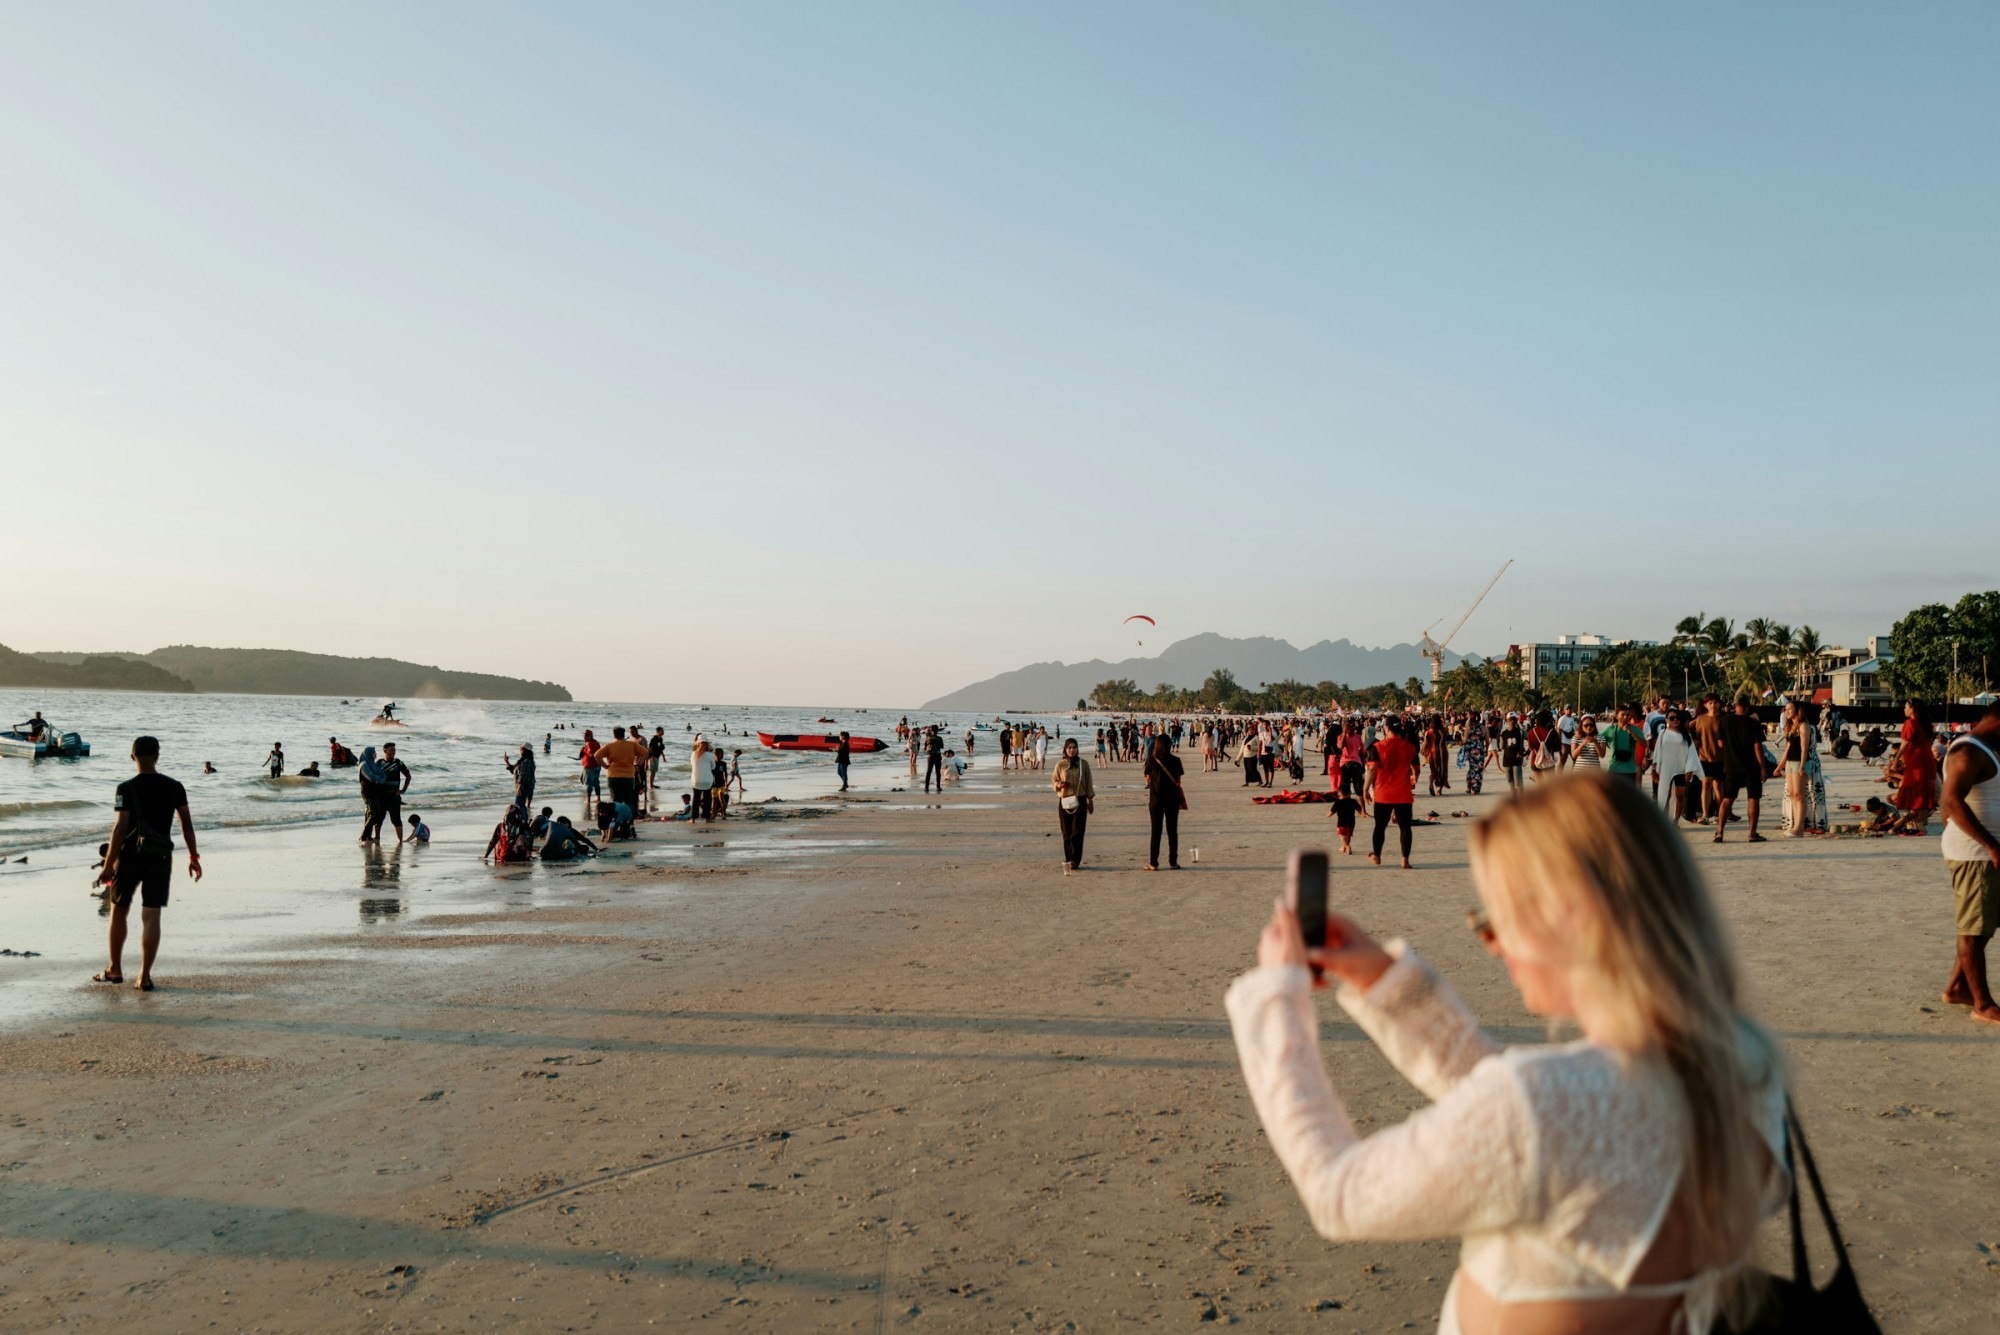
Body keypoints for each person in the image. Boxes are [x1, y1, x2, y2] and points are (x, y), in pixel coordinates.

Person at [1226, 774, 1788, 1335]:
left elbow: (1339, 1193)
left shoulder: (1545, 1104)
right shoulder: (1745, 1062)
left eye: (1496, 915)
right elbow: (1550, 1125)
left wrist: (1277, 999)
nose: (1490, 940)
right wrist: (1385, 983)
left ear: (1567, 916)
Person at [94, 736, 202, 991]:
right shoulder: (175, 786)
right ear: (157, 755)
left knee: (119, 911)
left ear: (133, 757)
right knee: (151, 916)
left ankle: (115, 969)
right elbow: (186, 824)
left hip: (129, 857)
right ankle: (144, 976)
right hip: (160, 856)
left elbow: (120, 829)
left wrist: (108, 866)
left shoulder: (125, 788)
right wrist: (194, 857)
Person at [1940, 702, 2000, 1027]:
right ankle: (1983, 1003)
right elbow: (1949, 800)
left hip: (1983, 853)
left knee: (1982, 926)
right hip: (1976, 855)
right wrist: (1990, 844)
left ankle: (1957, 987)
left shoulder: (1986, 750)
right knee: (1973, 931)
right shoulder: (1968, 752)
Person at [1365, 719, 1420, 869]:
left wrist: (1365, 789)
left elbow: (1372, 770)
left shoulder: (1378, 747)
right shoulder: (1409, 747)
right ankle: (1405, 860)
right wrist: (1415, 778)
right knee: (1405, 827)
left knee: (1380, 826)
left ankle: (1376, 856)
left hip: (1383, 794)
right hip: (1403, 793)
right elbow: (1416, 767)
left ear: (1386, 728)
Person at [1714, 696, 1766, 844]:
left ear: (1735, 706)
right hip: (1751, 766)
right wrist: (1762, 767)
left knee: (1727, 799)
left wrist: (1731, 750)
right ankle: (1752, 833)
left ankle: (1720, 832)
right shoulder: (1753, 723)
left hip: (1731, 765)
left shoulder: (1725, 721)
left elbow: (1720, 743)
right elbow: (1758, 747)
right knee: (1753, 798)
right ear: (1748, 706)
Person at [1647, 709, 1705, 827]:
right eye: (1672, 718)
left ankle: (1675, 821)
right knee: (1665, 795)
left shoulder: (1686, 735)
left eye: (1677, 718)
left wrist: (1689, 770)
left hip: (1681, 769)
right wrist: (1653, 769)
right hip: (1666, 768)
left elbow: (1691, 753)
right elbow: (1657, 752)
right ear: (1666, 720)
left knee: (1680, 796)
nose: (1675, 720)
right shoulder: (1663, 734)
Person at [1893, 700, 1940, 830]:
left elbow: (1905, 743)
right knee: (1923, 791)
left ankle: (1918, 823)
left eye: (1906, 707)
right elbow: (1929, 743)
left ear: (1912, 709)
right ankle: (1922, 822)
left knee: (1915, 790)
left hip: (1917, 761)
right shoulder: (1926, 724)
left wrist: (1896, 759)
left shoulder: (1910, 723)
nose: (1904, 709)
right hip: (1927, 760)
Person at [1052, 737, 1096, 873]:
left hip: (1080, 800)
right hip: (1064, 801)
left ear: (1077, 749)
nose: (1072, 750)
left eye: (1074, 747)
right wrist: (1059, 785)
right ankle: (1068, 858)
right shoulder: (1060, 765)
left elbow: (1088, 782)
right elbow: (1054, 781)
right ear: (1065, 749)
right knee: (1066, 832)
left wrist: (1090, 800)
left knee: (1078, 831)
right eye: (1069, 747)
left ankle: (1075, 860)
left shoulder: (1084, 764)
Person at [1143, 734, 1186, 871]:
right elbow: (1178, 781)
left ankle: (1153, 863)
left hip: (1156, 799)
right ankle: (1173, 862)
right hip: (1172, 799)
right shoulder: (1176, 760)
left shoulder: (1151, 760)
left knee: (1156, 831)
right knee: (1172, 831)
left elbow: (1148, 779)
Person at [594, 726, 648, 819]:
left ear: (614, 735)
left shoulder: (609, 745)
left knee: (616, 800)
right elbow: (646, 752)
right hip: (628, 776)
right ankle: (629, 821)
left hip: (613, 775)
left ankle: (618, 820)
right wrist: (638, 764)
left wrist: (605, 766)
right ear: (624, 734)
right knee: (629, 800)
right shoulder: (631, 745)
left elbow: (596, 756)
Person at [357, 745, 388, 844]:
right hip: (367, 792)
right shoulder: (364, 765)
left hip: (375, 792)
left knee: (374, 813)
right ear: (369, 753)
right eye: (374, 752)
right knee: (374, 813)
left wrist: (380, 780)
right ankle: (364, 836)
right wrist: (379, 779)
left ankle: (368, 836)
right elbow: (372, 778)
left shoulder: (373, 764)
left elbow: (383, 776)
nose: (376, 754)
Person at [505, 743, 536, 817]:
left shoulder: (527, 761)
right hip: (523, 786)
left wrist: (520, 787)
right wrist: (507, 761)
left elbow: (524, 776)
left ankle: (522, 820)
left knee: (519, 804)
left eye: (521, 749)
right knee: (520, 804)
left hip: (523, 786)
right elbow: (514, 771)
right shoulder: (522, 761)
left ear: (525, 750)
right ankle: (523, 820)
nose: (519, 750)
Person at [690, 735, 715, 820]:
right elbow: (713, 767)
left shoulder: (693, 754)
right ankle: (707, 818)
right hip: (707, 780)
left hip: (696, 780)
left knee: (696, 799)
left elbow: (691, 765)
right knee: (707, 799)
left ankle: (693, 818)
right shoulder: (710, 755)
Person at [577, 729, 602, 804]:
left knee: (589, 783)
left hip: (589, 766)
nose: (584, 737)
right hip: (597, 765)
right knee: (596, 782)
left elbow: (592, 754)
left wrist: (584, 750)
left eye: (586, 736)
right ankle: (598, 798)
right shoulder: (596, 742)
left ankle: (588, 799)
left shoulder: (589, 743)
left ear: (590, 736)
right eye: (584, 735)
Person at [924, 727, 944, 794]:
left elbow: (925, 747)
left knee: (929, 771)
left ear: (931, 731)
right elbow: (942, 746)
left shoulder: (927, 738)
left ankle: (926, 787)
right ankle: (938, 787)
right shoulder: (939, 738)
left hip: (930, 756)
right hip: (937, 755)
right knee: (938, 772)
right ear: (937, 731)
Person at [648, 727, 667, 797]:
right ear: (658, 731)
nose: (663, 732)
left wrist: (663, 756)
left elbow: (661, 748)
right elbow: (649, 747)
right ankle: (650, 785)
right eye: (662, 731)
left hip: (657, 756)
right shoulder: (654, 738)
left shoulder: (660, 739)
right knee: (652, 771)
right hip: (653, 757)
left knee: (655, 771)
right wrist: (651, 757)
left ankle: (652, 784)